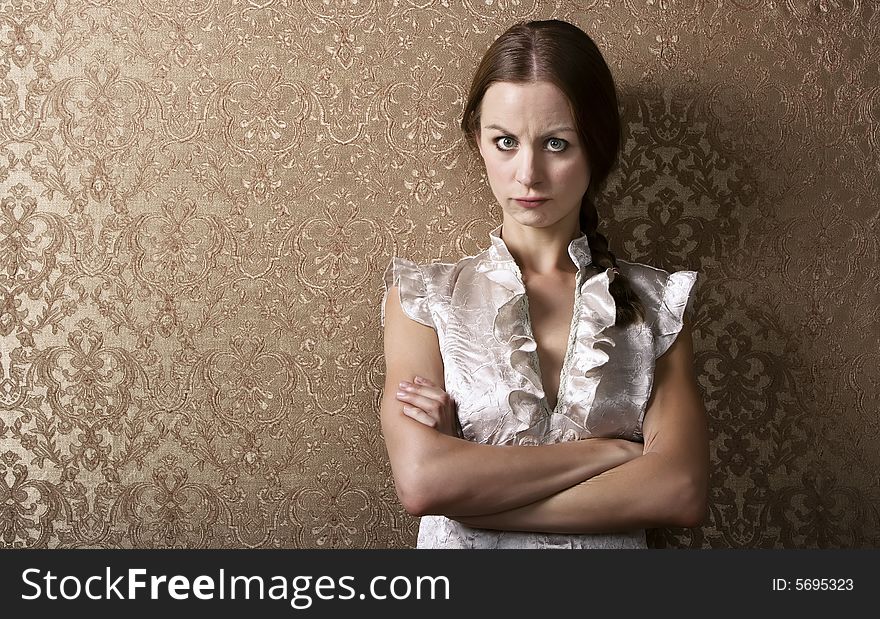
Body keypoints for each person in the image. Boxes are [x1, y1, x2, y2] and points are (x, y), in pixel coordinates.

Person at [379, 19, 709, 549]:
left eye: (557, 144)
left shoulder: (657, 306)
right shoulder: (425, 301)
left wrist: (477, 499)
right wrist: (609, 453)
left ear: (596, 149)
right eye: (505, 141)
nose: (528, 173)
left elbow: (680, 489)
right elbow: (423, 482)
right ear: (479, 144)